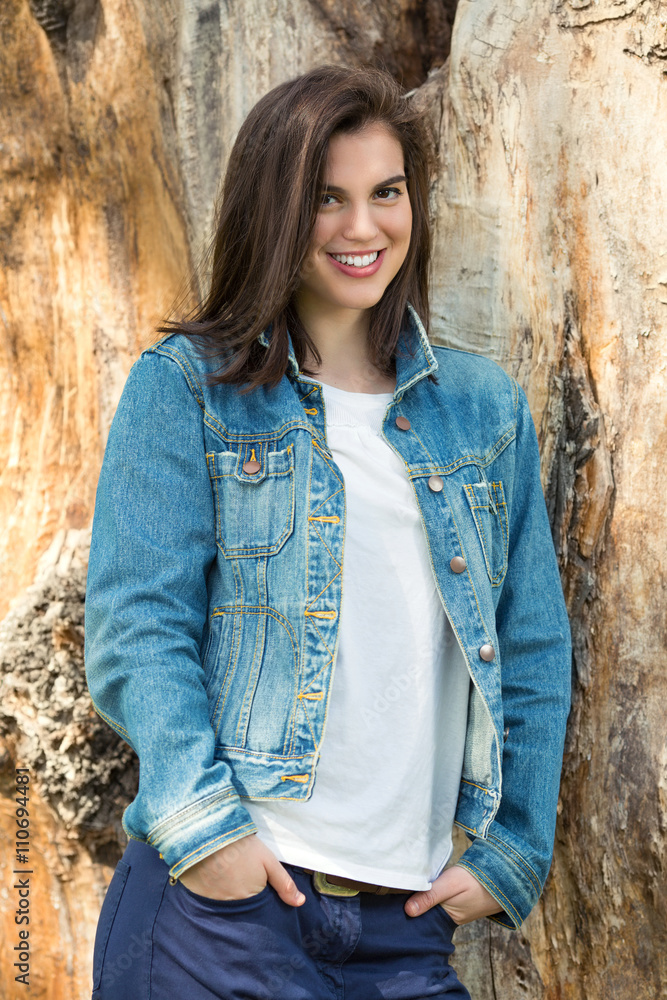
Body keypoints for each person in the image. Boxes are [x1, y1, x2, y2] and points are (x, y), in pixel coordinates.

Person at [85, 64, 571, 1000]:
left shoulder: (483, 413)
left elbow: (532, 648)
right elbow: (137, 628)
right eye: (326, 199)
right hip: (224, 907)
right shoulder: (191, 387)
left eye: (385, 194)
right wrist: (209, 837)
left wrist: (513, 852)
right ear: (274, 211)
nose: (363, 228)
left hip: (406, 926)